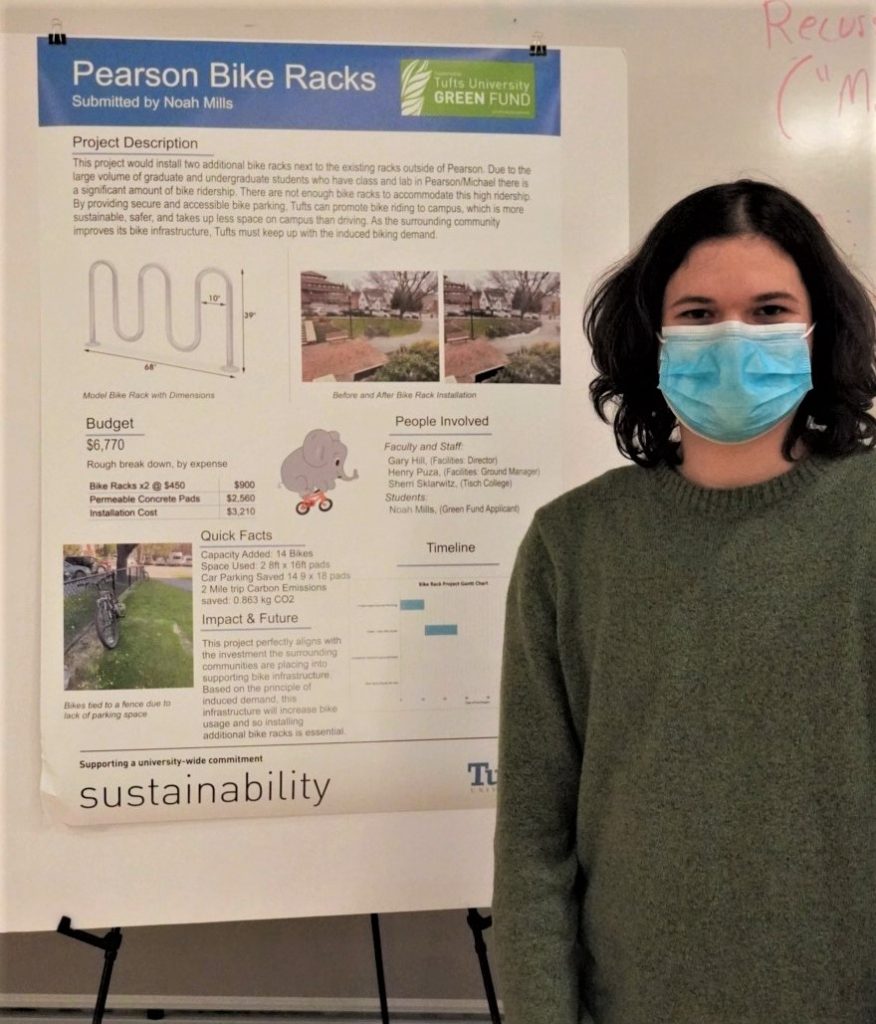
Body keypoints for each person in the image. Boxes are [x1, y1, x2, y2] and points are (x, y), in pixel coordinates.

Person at [492, 180, 876, 1024]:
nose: (734, 339)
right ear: (652, 337)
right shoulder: (573, 545)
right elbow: (533, 835)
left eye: (770, 310)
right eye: (698, 314)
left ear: (820, 330)